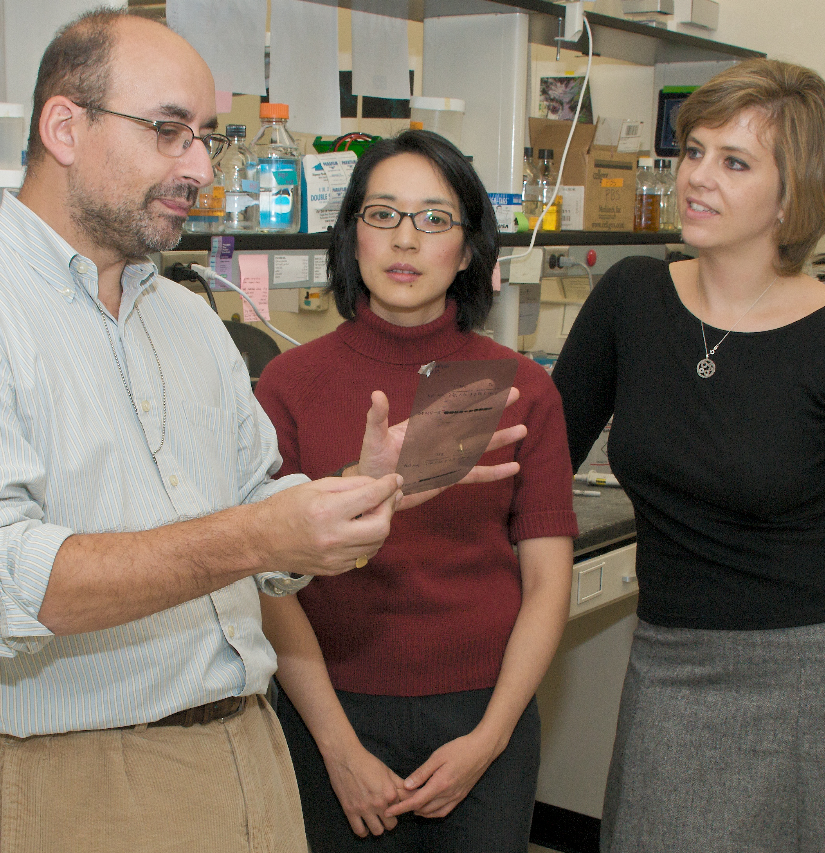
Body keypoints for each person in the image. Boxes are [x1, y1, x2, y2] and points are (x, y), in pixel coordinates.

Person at [0, 13, 523, 853]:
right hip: (86, 777)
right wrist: (251, 534)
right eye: (170, 132)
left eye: (204, 136)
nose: (201, 167)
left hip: (246, 743)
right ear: (65, 127)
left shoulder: (184, 317)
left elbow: (253, 508)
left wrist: (345, 497)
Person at [552, 59, 825, 852]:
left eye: (734, 163)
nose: (696, 178)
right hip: (672, 660)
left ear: (793, 193)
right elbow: (539, 456)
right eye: (693, 151)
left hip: (822, 677)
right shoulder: (632, 299)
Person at [254, 129, 578, 852]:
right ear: (352, 235)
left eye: (434, 218)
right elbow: (270, 582)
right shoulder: (290, 385)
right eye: (382, 215)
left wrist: (489, 741)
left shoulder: (518, 387)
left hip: (482, 714)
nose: (405, 240)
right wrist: (338, 749)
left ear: (466, 250)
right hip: (330, 713)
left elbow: (548, 584)